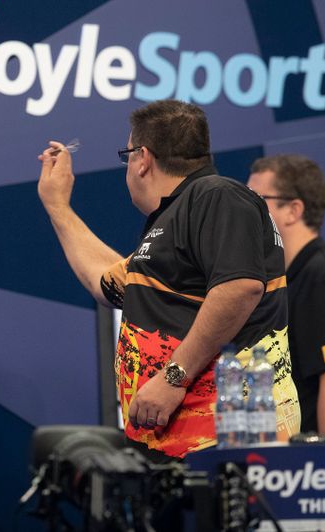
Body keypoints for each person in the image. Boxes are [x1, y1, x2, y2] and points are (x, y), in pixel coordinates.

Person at [37, 100, 300, 459]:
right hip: (177, 444)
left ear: (142, 158)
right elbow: (105, 282)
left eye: (126, 155)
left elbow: (240, 287)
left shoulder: (217, 195)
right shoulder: (177, 218)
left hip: (227, 440)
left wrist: (173, 377)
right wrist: (58, 207)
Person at [247, 154, 325, 434]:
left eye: (255, 201)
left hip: (312, 470)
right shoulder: (285, 280)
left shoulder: (323, 277)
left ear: (293, 210)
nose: (243, 212)